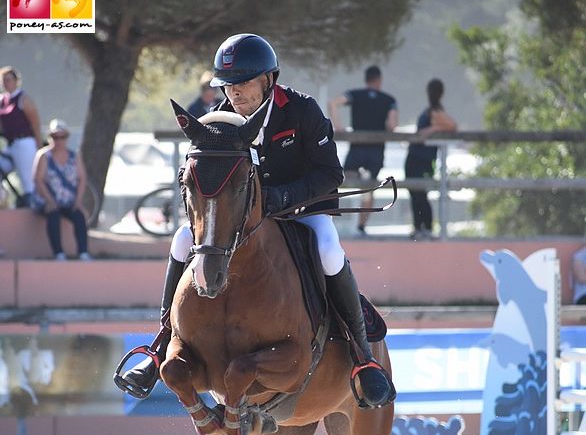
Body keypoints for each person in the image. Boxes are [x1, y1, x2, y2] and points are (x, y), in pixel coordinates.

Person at [115, 33, 395, 410]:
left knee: (328, 249)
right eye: (228, 85)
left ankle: (363, 358)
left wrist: (282, 198)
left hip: (302, 213)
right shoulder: (217, 122)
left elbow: (331, 174)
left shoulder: (302, 111)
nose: (235, 93)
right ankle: (159, 346)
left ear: (268, 79)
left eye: (243, 82)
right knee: (183, 239)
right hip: (242, 223)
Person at [329, 66, 398, 236]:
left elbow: (333, 103)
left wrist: (338, 126)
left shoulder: (356, 95)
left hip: (356, 150)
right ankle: (361, 227)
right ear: (379, 80)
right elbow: (392, 125)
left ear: (366, 79)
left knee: (343, 180)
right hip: (375, 152)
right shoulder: (389, 100)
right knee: (369, 187)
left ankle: (329, 219)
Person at [31, 119, 92, 261]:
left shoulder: (74, 156)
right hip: (47, 200)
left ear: (67, 137)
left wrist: (78, 201)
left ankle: (83, 252)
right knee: (54, 215)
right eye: (55, 137)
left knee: (79, 216)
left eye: (62, 137)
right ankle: (58, 253)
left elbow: (82, 178)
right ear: (50, 137)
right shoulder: (44, 156)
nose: (59, 140)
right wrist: (50, 200)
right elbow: (38, 180)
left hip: (68, 201)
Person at [404, 78, 457, 240]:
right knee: (415, 192)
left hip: (423, 158)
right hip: (416, 156)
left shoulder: (435, 111)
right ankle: (419, 226)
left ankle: (425, 226)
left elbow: (453, 126)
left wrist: (433, 129)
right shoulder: (430, 111)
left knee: (420, 194)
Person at [0, 66, 43, 207]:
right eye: (4, 80)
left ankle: (32, 208)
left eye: (9, 79)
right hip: (10, 144)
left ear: (16, 81)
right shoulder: (2, 100)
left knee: (27, 180)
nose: (6, 83)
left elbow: (35, 124)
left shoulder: (23, 99)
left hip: (25, 143)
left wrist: (39, 148)